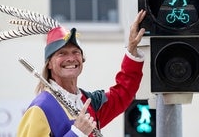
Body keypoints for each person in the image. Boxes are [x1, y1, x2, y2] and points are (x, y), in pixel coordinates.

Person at [17, 10, 147, 136]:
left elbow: (123, 93)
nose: (71, 58)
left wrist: (132, 47)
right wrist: (76, 133)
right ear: (49, 63)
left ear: (82, 59)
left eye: (75, 52)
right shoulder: (41, 108)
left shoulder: (89, 103)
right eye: (62, 53)